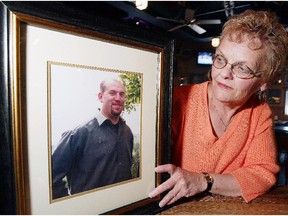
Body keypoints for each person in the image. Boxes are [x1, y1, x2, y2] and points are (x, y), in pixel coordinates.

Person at [149, 10, 288, 207]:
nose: (224, 73)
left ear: (264, 82)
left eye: (242, 68)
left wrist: (203, 181)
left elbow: (263, 174)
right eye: (220, 59)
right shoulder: (179, 100)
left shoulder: (259, 111)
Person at [52, 78, 134, 199]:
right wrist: (70, 205)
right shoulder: (79, 132)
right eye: (112, 93)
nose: (118, 98)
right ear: (101, 97)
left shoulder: (127, 132)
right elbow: (52, 177)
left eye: (122, 94)